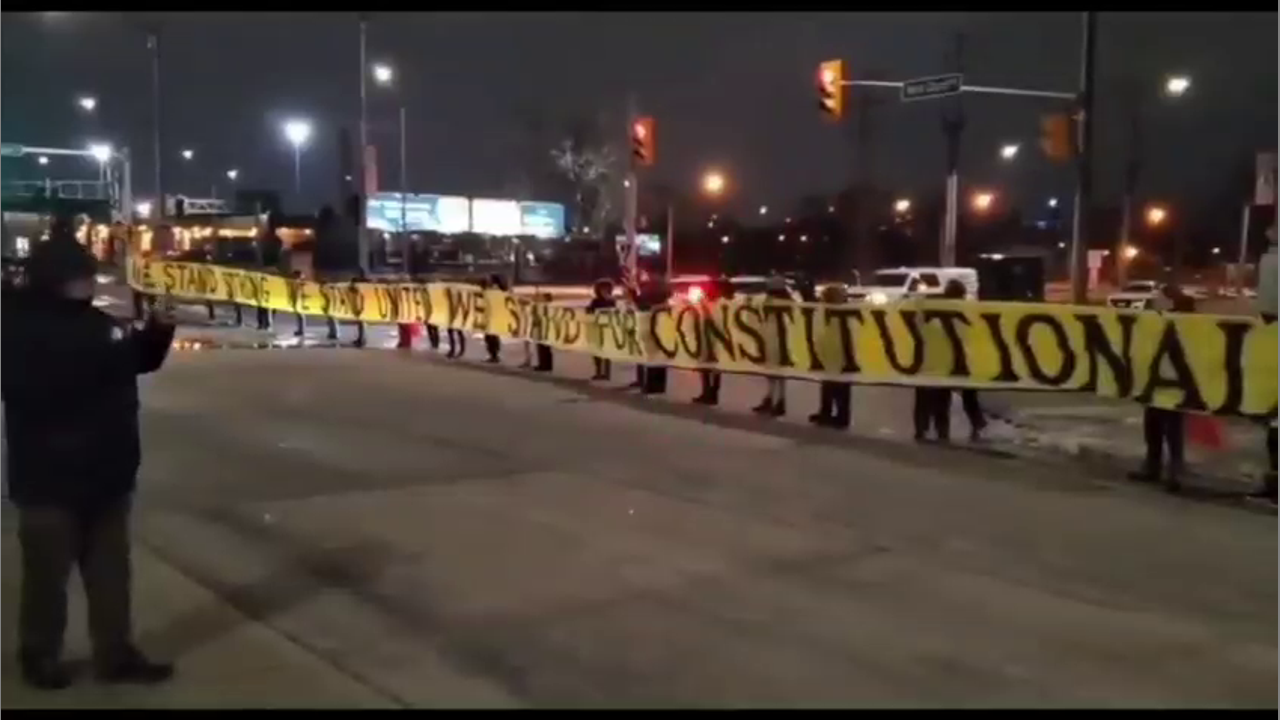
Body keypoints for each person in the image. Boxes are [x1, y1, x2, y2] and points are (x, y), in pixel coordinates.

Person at [1, 238, 177, 690]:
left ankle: (115, 654)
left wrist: (158, 333)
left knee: (111, 575)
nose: (90, 283)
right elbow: (33, 390)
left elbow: (134, 360)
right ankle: (39, 655)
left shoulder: (96, 322)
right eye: (82, 276)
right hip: (49, 478)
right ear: (55, 280)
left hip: (108, 473)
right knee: (47, 579)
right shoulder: (18, 329)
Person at [1129, 283, 1196, 493]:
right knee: (1153, 426)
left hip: (1174, 383)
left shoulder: (1185, 320)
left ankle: (1175, 471)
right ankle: (1153, 465)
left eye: (1159, 297)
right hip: (1156, 381)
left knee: (1172, 428)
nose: (1155, 300)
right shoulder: (1157, 320)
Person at [809, 284, 853, 428]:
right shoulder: (826, 311)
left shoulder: (845, 312)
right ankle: (826, 412)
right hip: (830, 352)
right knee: (828, 384)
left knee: (840, 386)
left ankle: (842, 417)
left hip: (841, 354)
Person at [753, 276, 793, 417]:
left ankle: (780, 400)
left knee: (778, 371)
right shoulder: (770, 301)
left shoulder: (783, 303)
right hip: (771, 337)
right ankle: (770, 398)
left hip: (780, 338)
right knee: (771, 370)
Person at [693, 277, 733, 405]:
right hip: (705, 338)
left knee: (715, 366)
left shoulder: (721, 304)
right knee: (704, 366)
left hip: (716, 338)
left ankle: (713, 392)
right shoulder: (706, 302)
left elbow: (713, 321)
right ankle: (706, 391)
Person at [587, 279, 617, 381]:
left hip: (608, 328)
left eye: (607, 288)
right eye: (602, 288)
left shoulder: (612, 300)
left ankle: (607, 373)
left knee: (607, 351)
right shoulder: (595, 301)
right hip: (597, 327)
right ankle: (598, 371)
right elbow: (589, 312)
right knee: (596, 351)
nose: (604, 290)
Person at [483, 274, 508, 364]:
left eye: (489, 279)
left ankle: (494, 355)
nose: (487, 281)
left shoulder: (493, 291)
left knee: (491, 336)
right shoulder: (495, 290)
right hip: (493, 316)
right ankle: (493, 355)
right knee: (491, 336)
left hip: (493, 316)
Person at [534, 292, 555, 372]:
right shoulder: (548, 307)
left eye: (542, 298)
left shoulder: (545, 307)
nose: (540, 299)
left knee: (543, 347)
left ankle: (544, 365)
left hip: (544, 329)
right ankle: (547, 365)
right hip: (545, 329)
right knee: (545, 348)